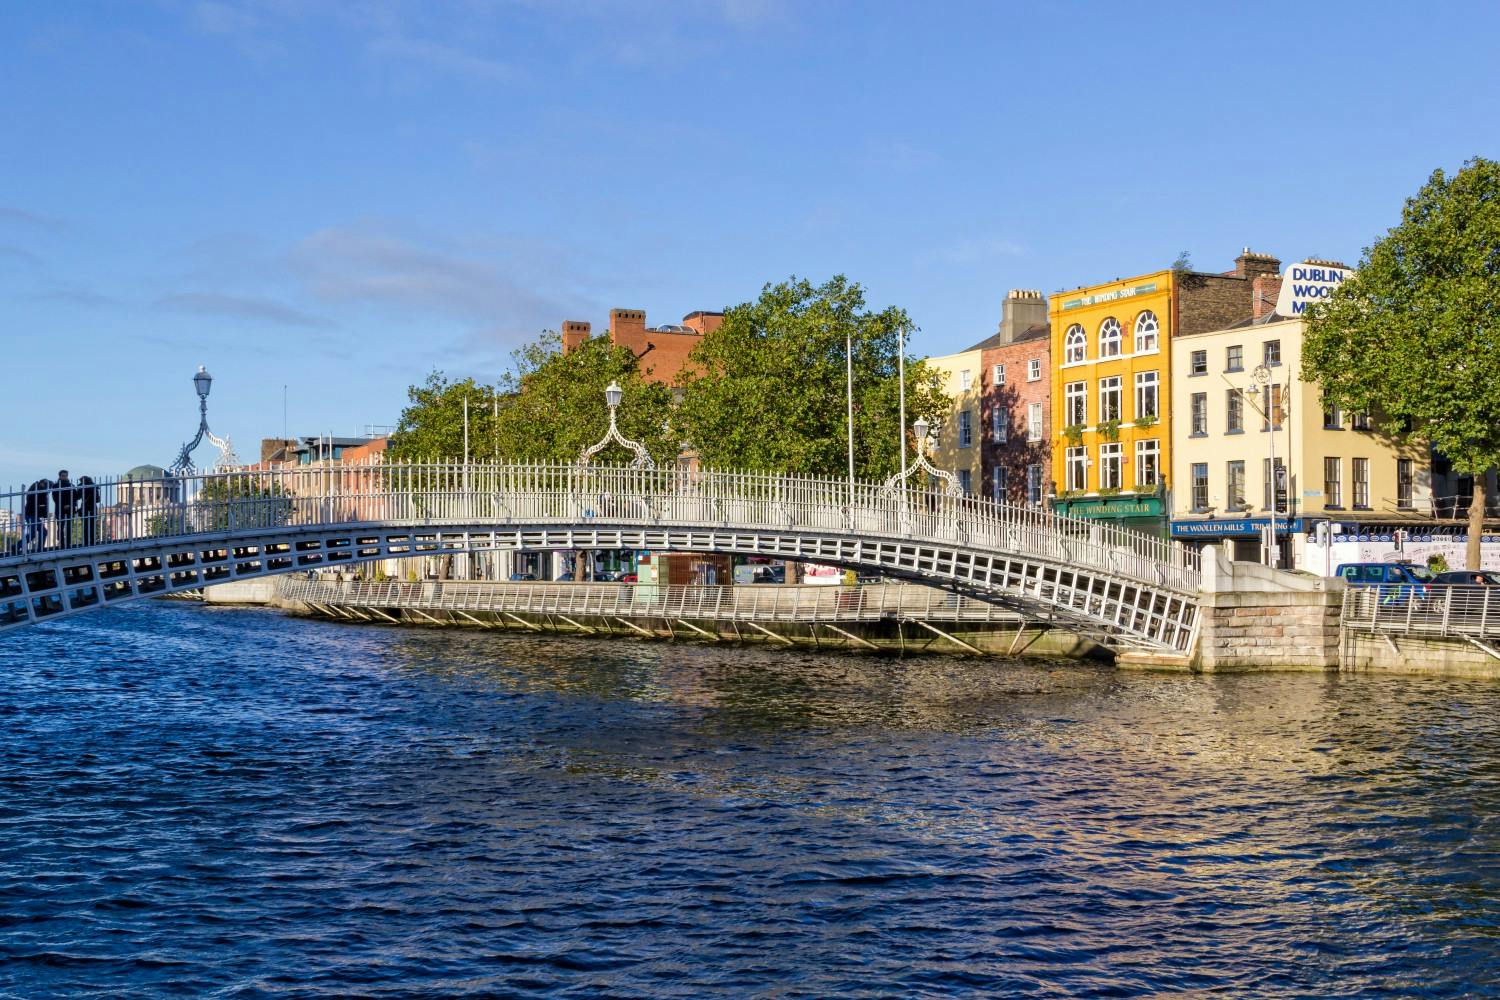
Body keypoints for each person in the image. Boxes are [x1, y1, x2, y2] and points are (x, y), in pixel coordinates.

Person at [23, 477, 50, 552]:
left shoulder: (38, 489)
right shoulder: (36, 489)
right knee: (33, 534)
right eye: (46, 486)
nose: (47, 489)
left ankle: (40, 548)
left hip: (33, 515)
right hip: (31, 514)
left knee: (43, 532)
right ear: (42, 484)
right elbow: (39, 501)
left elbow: (42, 504)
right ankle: (17, 546)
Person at [54, 470, 76, 549]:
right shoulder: (56, 486)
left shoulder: (71, 485)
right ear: (59, 476)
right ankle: (61, 543)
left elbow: (74, 497)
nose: (64, 477)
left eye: (66, 475)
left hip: (70, 509)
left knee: (69, 527)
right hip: (60, 509)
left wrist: (70, 505)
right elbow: (56, 498)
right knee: (60, 527)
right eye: (63, 475)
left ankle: (68, 542)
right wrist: (64, 505)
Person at [76, 475, 99, 547]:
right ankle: (92, 541)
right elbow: (98, 499)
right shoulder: (94, 487)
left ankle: (86, 542)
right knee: (92, 525)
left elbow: (77, 497)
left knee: (85, 526)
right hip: (92, 507)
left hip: (85, 507)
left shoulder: (82, 487)